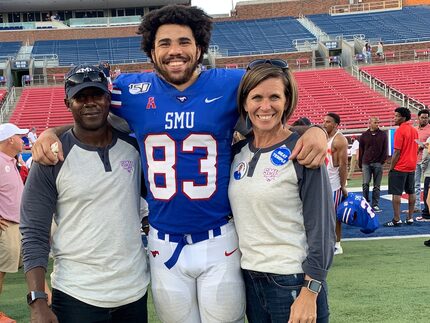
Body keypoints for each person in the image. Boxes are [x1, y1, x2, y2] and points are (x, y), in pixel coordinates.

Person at [31, 5, 328, 323]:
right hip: (163, 243)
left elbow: (269, 110)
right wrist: (51, 131)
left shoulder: (231, 84)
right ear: (151, 51)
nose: (175, 51)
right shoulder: (132, 90)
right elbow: (90, 114)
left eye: (184, 42)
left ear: (200, 46)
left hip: (219, 239)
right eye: (165, 43)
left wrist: (314, 130)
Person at [20, 64, 150, 322]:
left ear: (108, 98)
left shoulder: (133, 148)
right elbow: (34, 232)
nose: (90, 103)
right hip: (77, 294)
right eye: (81, 97)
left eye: (97, 95)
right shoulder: (51, 157)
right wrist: (37, 300)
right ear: (68, 102)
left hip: (134, 292)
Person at [229, 60, 335, 323]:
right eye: (256, 97)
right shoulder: (236, 153)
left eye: (274, 97)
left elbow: (322, 226)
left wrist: (310, 290)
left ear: (287, 102)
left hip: (293, 280)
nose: (265, 107)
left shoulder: (302, 151)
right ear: (244, 103)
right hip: (249, 278)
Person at [0, 123, 29, 322]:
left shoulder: (11, 160)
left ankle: (49, 300)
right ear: (10, 139)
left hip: (18, 224)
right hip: (6, 226)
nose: (23, 140)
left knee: (30, 264)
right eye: (19, 136)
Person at [384, 107, 418, 227]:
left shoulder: (400, 131)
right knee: (411, 191)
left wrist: (391, 167)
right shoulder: (414, 130)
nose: (395, 118)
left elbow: (397, 152)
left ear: (403, 117)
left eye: (397, 116)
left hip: (400, 166)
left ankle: (397, 219)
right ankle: (410, 218)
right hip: (412, 165)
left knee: (396, 193)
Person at [323, 112, 348, 255]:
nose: (324, 123)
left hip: (333, 184)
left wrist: (343, 185)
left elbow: (343, 164)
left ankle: (337, 244)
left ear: (336, 124)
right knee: (322, 215)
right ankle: (326, 242)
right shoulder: (323, 136)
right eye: (324, 121)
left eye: (328, 122)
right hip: (322, 182)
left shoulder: (339, 140)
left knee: (334, 216)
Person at [359, 117, 388, 212]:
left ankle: (375, 204)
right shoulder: (364, 135)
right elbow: (361, 150)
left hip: (378, 163)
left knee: (377, 186)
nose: (377, 124)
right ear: (370, 123)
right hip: (366, 163)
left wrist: (382, 161)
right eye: (375, 122)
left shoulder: (383, 135)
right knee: (365, 184)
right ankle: (366, 202)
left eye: (378, 122)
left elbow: (385, 149)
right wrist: (361, 163)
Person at [410, 109, 430, 214]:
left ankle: (428, 207)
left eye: (426, 117)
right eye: (422, 117)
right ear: (418, 118)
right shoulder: (414, 130)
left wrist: (423, 146)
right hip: (415, 159)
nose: (424, 119)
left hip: (427, 161)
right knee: (416, 184)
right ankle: (417, 206)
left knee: (428, 185)